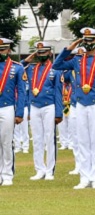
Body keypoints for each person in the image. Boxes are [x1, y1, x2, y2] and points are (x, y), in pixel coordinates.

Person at [53, 28, 95, 189]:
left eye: (91, 40)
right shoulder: (77, 60)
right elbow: (57, 64)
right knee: (82, 141)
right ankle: (84, 177)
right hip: (80, 104)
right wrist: (71, 47)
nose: (88, 43)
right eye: (85, 40)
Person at [20, 42, 64, 181]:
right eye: (38, 52)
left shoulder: (55, 69)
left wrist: (58, 112)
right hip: (34, 105)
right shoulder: (32, 68)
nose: (41, 55)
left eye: (44, 52)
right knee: (37, 139)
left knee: (49, 138)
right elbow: (17, 67)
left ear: (50, 53)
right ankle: (39, 169)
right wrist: (27, 59)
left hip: (49, 105)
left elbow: (58, 92)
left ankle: (50, 170)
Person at [0, 38, 26, 186]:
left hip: (7, 106)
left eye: (2, 49)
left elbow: (22, 92)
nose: (0, 52)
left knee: (7, 142)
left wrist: (19, 112)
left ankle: (8, 174)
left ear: (9, 50)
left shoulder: (16, 67)